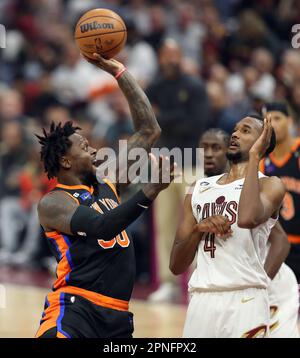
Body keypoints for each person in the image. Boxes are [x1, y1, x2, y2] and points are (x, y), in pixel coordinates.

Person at [35, 54, 175, 338]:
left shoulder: (106, 181)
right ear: (65, 161)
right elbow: (104, 226)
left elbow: (149, 130)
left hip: (117, 316)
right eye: (85, 147)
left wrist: (120, 72)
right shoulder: (54, 202)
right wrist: (150, 190)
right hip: (75, 310)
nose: (95, 150)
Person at [170, 115, 286, 338]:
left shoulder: (270, 184)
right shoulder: (198, 187)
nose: (234, 134)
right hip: (202, 299)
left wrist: (254, 157)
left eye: (245, 131)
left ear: (262, 142)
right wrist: (198, 229)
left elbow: (247, 218)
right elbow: (176, 265)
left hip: (246, 299)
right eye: (234, 129)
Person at [199, 128, 299, 338]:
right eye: (204, 148)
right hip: (234, 288)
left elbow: (281, 241)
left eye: (216, 148)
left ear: (229, 149)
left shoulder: (251, 185)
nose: (209, 154)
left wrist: (258, 283)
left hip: (268, 281)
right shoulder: (203, 189)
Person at [147, 39, 210, 302]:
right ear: (160, 58)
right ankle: (168, 283)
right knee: (165, 225)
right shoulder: (155, 87)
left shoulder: (194, 86)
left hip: (192, 163)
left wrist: (165, 118)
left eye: (175, 54)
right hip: (164, 164)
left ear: (181, 56)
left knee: (196, 223)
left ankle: (199, 278)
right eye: (166, 55)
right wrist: (174, 117)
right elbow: (148, 123)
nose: (171, 59)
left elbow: (197, 124)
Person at [260, 102, 300, 282]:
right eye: (269, 119)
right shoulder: (262, 161)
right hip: (275, 245)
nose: (273, 124)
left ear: (290, 121)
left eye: (278, 118)